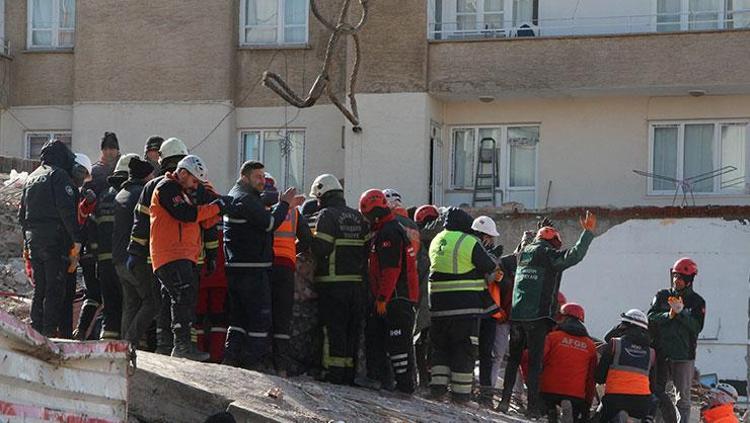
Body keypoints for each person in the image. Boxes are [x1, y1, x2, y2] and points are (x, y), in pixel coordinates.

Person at [499, 211, 597, 417]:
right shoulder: (549, 254)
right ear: (553, 243)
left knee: (513, 360)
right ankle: (533, 409)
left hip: (517, 316)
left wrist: (540, 231)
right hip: (538, 317)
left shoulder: (524, 252)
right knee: (535, 363)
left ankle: (504, 402)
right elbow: (574, 255)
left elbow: (533, 245)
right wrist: (587, 234)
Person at [222, 161, 303, 369]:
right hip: (253, 270)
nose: (262, 181)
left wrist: (281, 205)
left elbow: (259, 216)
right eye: (258, 177)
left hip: (239, 269)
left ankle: (231, 359)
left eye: (263, 176)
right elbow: (268, 224)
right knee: (260, 320)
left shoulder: (239, 197)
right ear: (245, 177)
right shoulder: (245, 199)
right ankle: (252, 364)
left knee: (239, 320)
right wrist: (284, 203)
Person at [150, 155, 226, 361]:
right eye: (194, 181)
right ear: (182, 173)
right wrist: (217, 207)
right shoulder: (167, 188)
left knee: (176, 298)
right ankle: (181, 346)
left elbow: (199, 221)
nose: (195, 186)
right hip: (172, 254)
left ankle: (167, 347)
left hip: (182, 254)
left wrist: (217, 210)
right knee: (182, 297)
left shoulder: (183, 192)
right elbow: (186, 215)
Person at [428, 207, 497, 405]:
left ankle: (438, 391)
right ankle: (460, 396)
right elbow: (489, 267)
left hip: (438, 306)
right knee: (464, 350)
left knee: (440, 349)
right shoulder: (468, 241)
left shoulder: (437, 239)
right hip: (465, 307)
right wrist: (493, 256)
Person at [127, 137, 188, 354]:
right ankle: (175, 346)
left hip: (155, 257)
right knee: (178, 302)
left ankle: (163, 346)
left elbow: (140, 222)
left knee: (163, 301)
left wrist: (135, 251)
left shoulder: (152, 186)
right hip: (180, 257)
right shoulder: (187, 184)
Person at [309, 174, 369, 385]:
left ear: (321, 193)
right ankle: (348, 374)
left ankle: (332, 372)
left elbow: (322, 248)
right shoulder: (358, 217)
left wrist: (307, 238)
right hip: (357, 284)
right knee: (351, 329)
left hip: (332, 283)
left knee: (332, 329)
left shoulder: (327, 215)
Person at [18, 139, 82, 337]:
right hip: (55, 241)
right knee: (55, 287)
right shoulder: (59, 175)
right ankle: (48, 335)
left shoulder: (31, 178)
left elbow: (22, 215)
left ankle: (36, 330)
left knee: (41, 287)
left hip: (34, 240)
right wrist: (77, 239)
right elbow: (66, 211)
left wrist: (27, 243)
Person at [360, 189, 419, 394]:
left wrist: (383, 297)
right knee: (380, 337)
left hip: (395, 298)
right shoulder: (390, 229)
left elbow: (391, 270)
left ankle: (404, 386)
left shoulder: (389, 233)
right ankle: (385, 380)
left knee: (398, 343)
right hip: (396, 296)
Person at [263, 173, 313, 376]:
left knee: (265, 313)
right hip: (287, 266)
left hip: (266, 264)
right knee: (283, 316)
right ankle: (281, 366)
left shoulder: (259, 205)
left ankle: (265, 362)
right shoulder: (293, 210)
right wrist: (292, 249)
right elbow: (307, 240)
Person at [648, 257, 706, 423]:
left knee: (682, 398)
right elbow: (650, 317)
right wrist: (669, 315)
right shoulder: (662, 296)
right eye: (675, 276)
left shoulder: (697, 302)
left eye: (680, 278)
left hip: (683, 356)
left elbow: (697, 327)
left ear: (689, 280)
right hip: (661, 353)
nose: (676, 280)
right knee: (658, 393)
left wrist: (681, 314)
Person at [94, 153, 140, 339]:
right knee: (132, 305)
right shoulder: (133, 196)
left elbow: (93, 228)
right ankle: (136, 349)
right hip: (126, 261)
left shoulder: (104, 196)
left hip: (104, 263)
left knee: (110, 309)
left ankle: (108, 349)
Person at [113, 156, 155, 347]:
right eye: (152, 175)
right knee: (152, 301)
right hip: (135, 258)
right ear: (146, 176)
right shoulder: (142, 194)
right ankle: (130, 341)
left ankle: (124, 345)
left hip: (118, 258)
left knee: (130, 303)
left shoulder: (121, 193)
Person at [539, 303, 597, 423]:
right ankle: (564, 407)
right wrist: (587, 404)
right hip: (576, 395)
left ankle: (551, 410)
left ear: (563, 318)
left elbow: (539, 361)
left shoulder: (552, 337)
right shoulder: (590, 345)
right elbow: (591, 378)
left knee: (546, 402)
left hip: (548, 389)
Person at [471, 215, 507, 408]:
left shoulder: (491, 256)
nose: (491, 241)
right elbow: (486, 277)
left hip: (489, 312)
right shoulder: (472, 252)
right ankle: (469, 391)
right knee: (473, 351)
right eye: (489, 236)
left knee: (486, 354)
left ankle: (484, 396)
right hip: (477, 309)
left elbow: (499, 279)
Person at [596, 309, 656, 423]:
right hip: (641, 404)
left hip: (614, 400)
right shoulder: (651, 353)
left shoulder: (614, 344)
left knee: (600, 417)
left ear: (624, 326)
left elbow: (599, 377)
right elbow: (652, 386)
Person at [413, 204, 440, 388]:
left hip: (421, 298)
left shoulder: (416, 243)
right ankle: (433, 382)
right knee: (435, 343)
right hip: (441, 299)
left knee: (419, 342)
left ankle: (423, 380)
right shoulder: (442, 241)